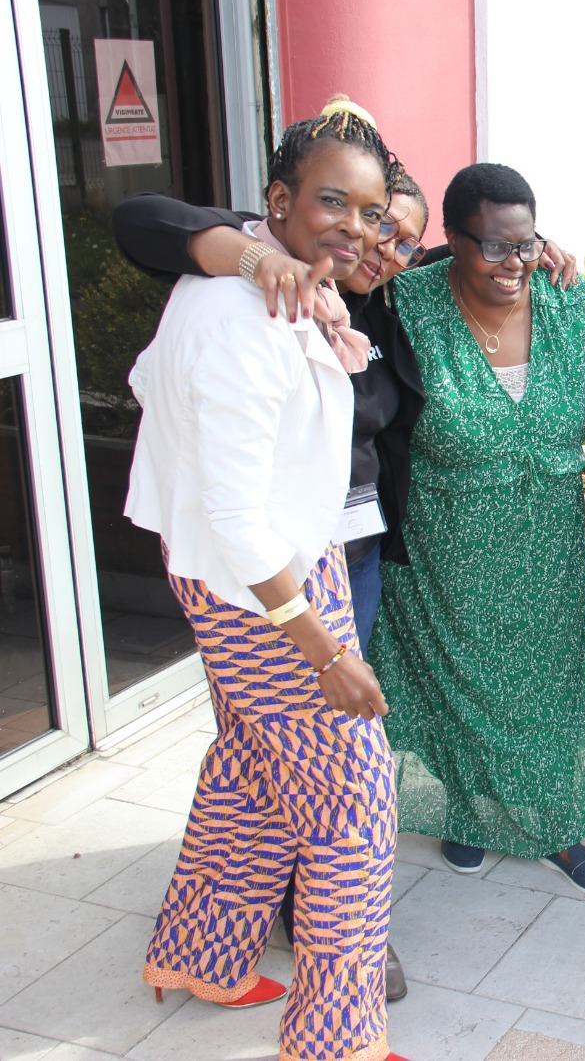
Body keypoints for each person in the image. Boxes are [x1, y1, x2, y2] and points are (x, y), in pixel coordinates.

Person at [112, 100, 434, 1004]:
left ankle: (198, 957)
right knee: (354, 800)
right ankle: (338, 1029)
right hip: (260, 585)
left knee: (253, 772)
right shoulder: (243, 313)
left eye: (373, 214)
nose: (358, 230)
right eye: (336, 203)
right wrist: (327, 653)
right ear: (280, 200)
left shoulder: (275, 284)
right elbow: (236, 520)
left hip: (268, 567)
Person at [369, 162, 585, 896]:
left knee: (546, 692)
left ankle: (557, 827)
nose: (515, 263)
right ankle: (469, 813)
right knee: (458, 691)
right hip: (443, 550)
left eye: (527, 244)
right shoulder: (407, 305)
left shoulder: (571, 304)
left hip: (546, 547)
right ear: (452, 240)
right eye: (494, 246)